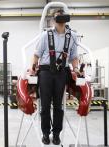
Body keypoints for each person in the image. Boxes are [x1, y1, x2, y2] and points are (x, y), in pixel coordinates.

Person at [31, 8, 80, 145]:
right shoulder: (46, 35)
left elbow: (74, 57)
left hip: (62, 73)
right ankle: (46, 134)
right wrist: (33, 68)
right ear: (53, 19)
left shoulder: (72, 36)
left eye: (62, 16)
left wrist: (76, 68)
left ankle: (56, 133)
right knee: (45, 105)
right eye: (58, 17)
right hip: (46, 72)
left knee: (58, 106)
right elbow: (36, 55)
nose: (60, 19)